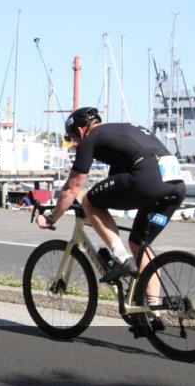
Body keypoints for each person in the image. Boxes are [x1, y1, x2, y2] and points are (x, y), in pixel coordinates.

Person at [36, 107, 186, 290]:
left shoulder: (90, 139)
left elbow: (72, 187)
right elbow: (113, 184)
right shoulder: (118, 131)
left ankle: (122, 259)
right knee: (139, 244)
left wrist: (52, 217)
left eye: (73, 137)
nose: (75, 143)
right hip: (176, 185)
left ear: (80, 130)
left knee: (89, 202)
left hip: (148, 178)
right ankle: (153, 312)